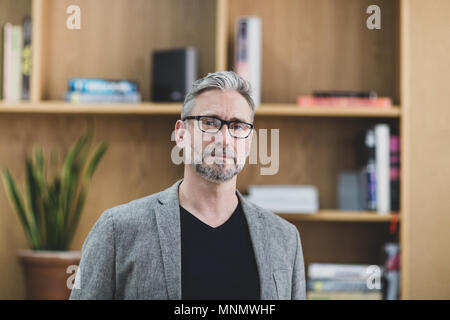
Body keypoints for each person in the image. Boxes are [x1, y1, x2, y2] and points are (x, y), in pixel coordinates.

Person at [69, 71, 306, 300]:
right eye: (210, 123)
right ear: (181, 135)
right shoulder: (117, 230)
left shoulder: (285, 239)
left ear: (249, 142)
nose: (224, 139)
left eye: (237, 127)